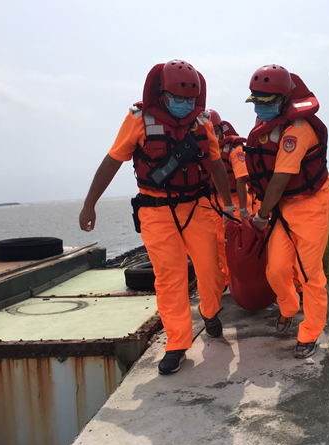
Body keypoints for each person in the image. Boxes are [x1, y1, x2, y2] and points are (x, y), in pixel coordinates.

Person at [79, 60, 234, 375]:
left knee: (211, 270)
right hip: (156, 209)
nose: (185, 105)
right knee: (169, 276)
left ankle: (209, 310)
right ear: (162, 94)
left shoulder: (202, 122)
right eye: (179, 98)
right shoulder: (138, 120)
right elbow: (111, 162)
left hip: (197, 205)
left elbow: (217, 165)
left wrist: (229, 207)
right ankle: (177, 343)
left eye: (190, 100)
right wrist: (89, 203)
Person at [244, 64, 329, 358]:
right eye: (257, 101)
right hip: (282, 205)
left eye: (267, 102)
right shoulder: (268, 127)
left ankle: (310, 333)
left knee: (309, 273)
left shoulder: (298, 130)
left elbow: (280, 179)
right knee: (276, 269)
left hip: (309, 204)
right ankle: (289, 307)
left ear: (284, 99)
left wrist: (261, 215)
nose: (261, 108)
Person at [205, 109, 251, 291]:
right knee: (214, 241)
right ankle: (226, 278)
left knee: (242, 238)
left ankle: (245, 277)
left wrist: (242, 211)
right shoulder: (202, 147)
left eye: (214, 130)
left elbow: (241, 178)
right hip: (213, 201)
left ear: (220, 128)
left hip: (237, 199)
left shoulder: (234, 148)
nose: (212, 133)